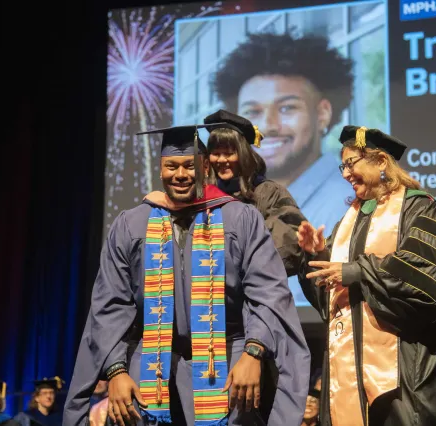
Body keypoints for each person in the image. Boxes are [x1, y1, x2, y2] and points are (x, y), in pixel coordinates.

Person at [63, 124, 310, 425]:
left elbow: (267, 292)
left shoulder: (241, 219)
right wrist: (115, 370)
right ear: (160, 169)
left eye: (189, 165)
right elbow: (110, 304)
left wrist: (253, 352)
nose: (181, 174)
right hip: (151, 361)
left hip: (229, 356)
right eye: (171, 166)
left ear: (205, 167)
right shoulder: (131, 224)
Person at [297, 126, 436, 425]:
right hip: (351, 373)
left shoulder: (418, 207)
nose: (345, 174)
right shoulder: (351, 219)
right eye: (342, 166)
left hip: (404, 372)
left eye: (351, 164)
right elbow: (332, 297)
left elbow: (423, 280)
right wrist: (317, 256)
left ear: (381, 161)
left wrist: (357, 271)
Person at [212, 33, 354, 233]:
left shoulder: (354, 204)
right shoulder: (230, 201)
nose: (268, 125)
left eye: (287, 108)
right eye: (252, 112)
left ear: (322, 114)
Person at [204, 109, 307, 280]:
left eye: (229, 153)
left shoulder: (268, 192)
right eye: (216, 153)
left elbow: (293, 242)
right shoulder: (205, 196)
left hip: (255, 290)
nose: (222, 160)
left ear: (243, 153)